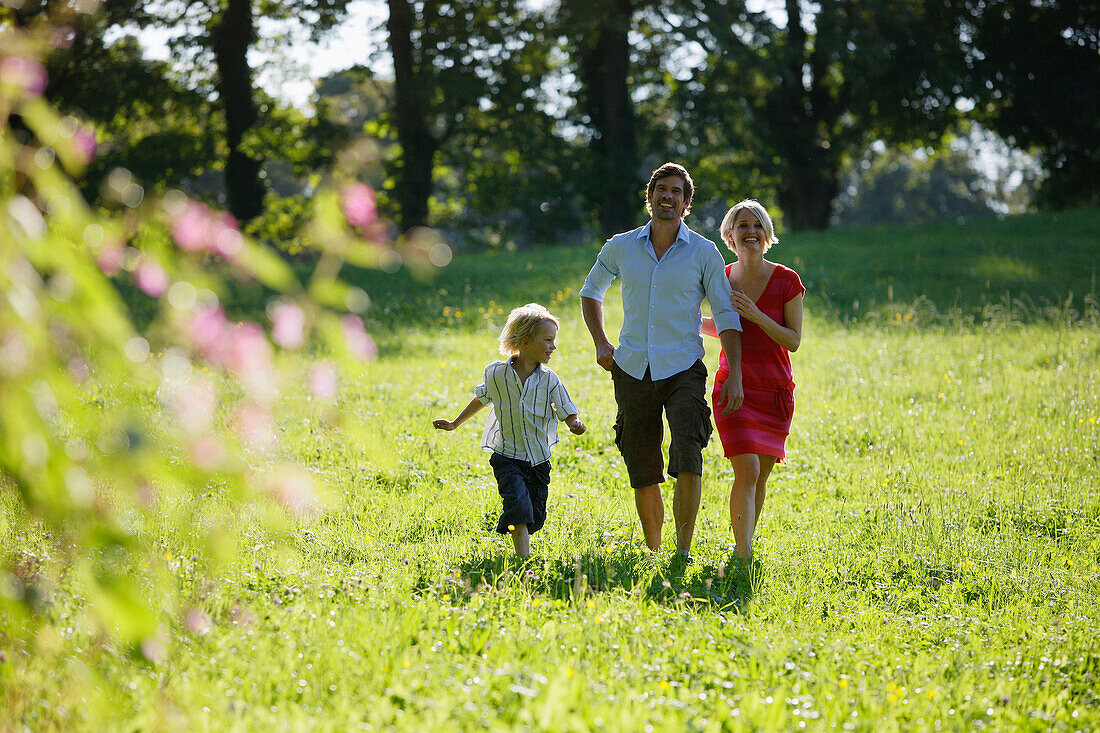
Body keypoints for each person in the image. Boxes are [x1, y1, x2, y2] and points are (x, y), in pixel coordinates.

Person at [579, 162, 744, 563]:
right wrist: (601, 342)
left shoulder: (704, 252)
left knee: (688, 453)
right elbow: (591, 291)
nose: (667, 196)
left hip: (684, 367)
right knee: (643, 464)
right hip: (632, 367)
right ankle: (654, 551)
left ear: (687, 203)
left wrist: (735, 372)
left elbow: (725, 314)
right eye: (661, 189)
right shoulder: (620, 245)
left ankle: (682, 552)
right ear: (649, 196)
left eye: (676, 192)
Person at [433, 303, 586, 558]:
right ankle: (522, 558)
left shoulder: (550, 379)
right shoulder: (496, 374)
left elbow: (565, 406)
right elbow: (482, 398)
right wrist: (454, 423)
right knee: (518, 505)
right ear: (525, 341)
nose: (553, 347)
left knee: (535, 515)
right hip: (506, 457)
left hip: (538, 460)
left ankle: (523, 530)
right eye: (548, 340)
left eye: (554, 340)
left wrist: (573, 422)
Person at [702, 199, 804, 559]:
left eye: (757, 225)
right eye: (743, 226)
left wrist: (759, 316)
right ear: (730, 235)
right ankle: (743, 554)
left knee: (760, 475)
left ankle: (742, 544)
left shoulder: (787, 280)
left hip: (774, 390)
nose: (751, 232)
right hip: (734, 386)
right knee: (746, 468)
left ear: (767, 233)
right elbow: (727, 327)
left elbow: (793, 340)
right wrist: (691, 324)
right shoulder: (722, 278)